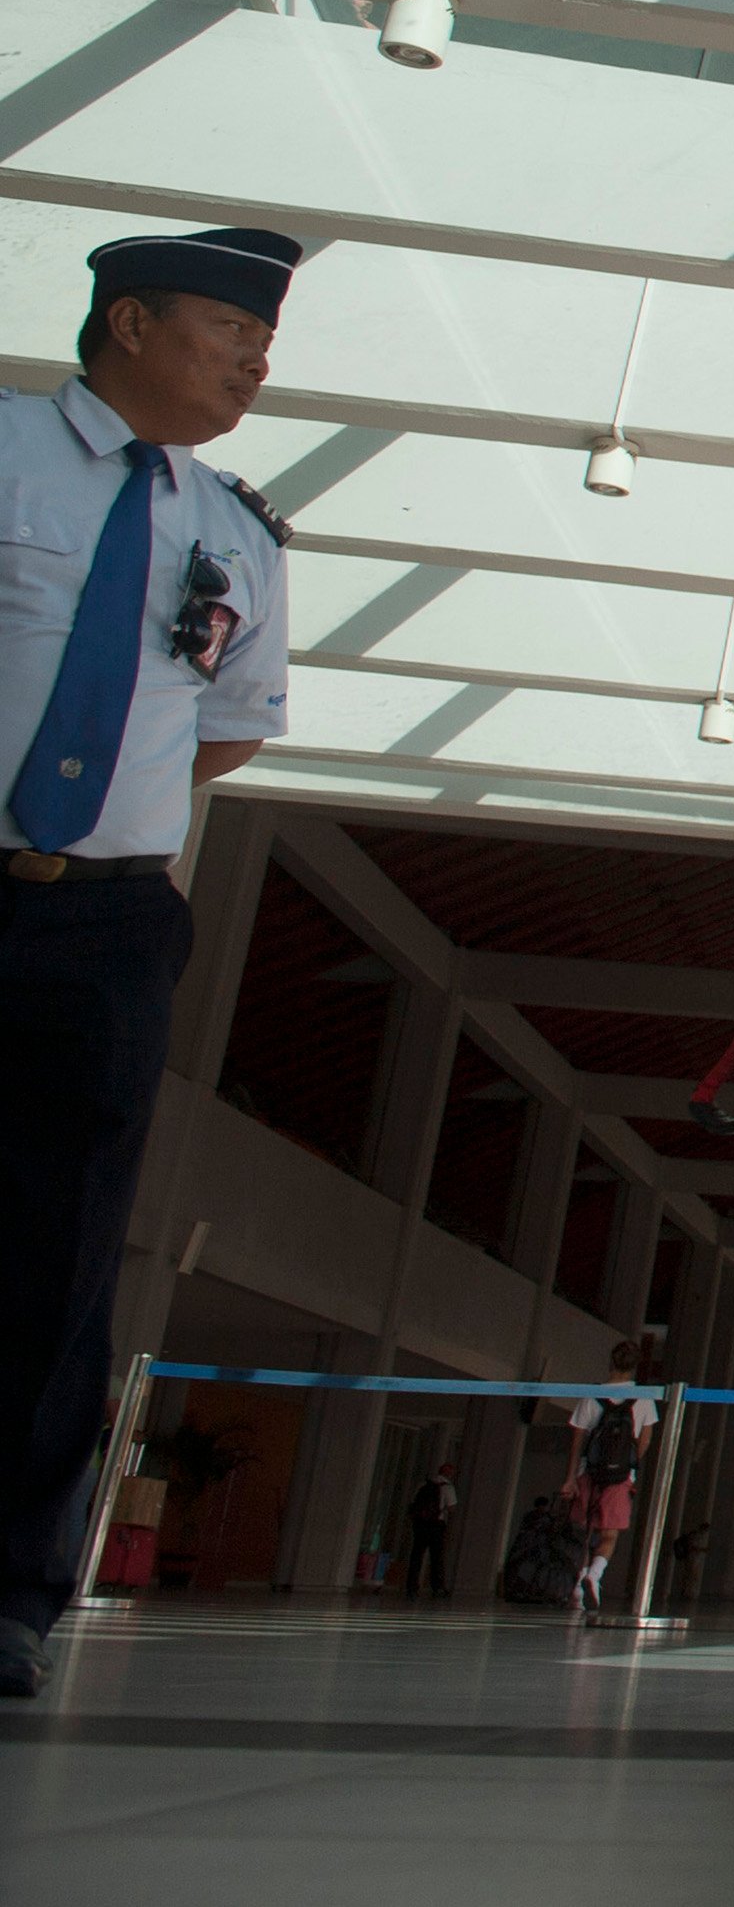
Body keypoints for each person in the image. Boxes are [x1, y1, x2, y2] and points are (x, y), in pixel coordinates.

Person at [0, 230, 298, 1703]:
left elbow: (223, 730)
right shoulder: (6, 456)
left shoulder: (238, 532)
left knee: (58, 1258)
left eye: (264, 341)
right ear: (129, 321)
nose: (255, 362)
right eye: (231, 330)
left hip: (104, 926)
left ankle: (9, 1591)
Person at [561, 1344, 649, 1627]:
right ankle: (595, 1575)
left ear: (611, 1362)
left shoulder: (592, 1395)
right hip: (620, 1478)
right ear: (635, 1366)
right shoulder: (644, 1398)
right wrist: (628, 1469)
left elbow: (577, 1440)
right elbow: (643, 1442)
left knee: (584, 1532)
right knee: (610, 1534)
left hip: (590, 1473)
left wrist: (571, 1477)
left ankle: (578, 1586)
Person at [400, 1458, 458, 1601]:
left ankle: (411, 1586)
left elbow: (414, 1502)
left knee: (416, 1554)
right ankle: (437, 1587)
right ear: (449, 1474)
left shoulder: (423, 1484)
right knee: (436, 1556)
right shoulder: (448, 1487)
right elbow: (452, 1508)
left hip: (420, 1524)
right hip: (436, 1525)